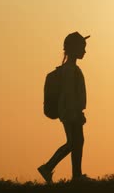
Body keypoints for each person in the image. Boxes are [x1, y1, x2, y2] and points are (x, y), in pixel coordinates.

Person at [38, 32, 92, 183]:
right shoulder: (69, 70)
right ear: (74, 48)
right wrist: (75, 113)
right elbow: (69, 94)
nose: (84, 51)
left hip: (69, 111)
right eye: (82, 48)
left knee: (76, 141)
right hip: (70, 112)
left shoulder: (71, 69)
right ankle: (52, 169)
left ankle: (75, 175)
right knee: (74, 142)